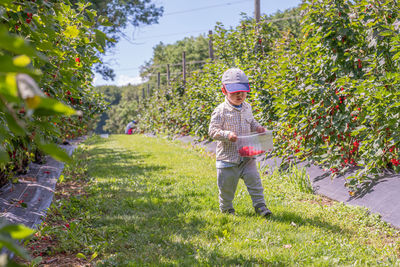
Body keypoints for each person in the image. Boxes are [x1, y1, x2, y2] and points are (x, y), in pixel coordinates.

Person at [208, 67, 272, 218]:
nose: (239, 95)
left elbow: (252, 122)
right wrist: (226, 134)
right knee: (227, 188)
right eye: (234, 92)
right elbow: (212, 131)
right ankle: (227, 209)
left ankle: (260, 206)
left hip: (247, 155)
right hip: (228, 159)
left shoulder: (247, 107)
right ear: (224, 91)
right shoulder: (220, 111)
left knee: (255, 181)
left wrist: (258, 128)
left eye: (242, 92)